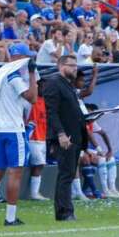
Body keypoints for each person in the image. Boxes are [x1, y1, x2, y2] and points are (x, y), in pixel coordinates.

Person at [0, 44, 38, 227]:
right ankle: (10, 218)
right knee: (15, 172)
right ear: (20, 57)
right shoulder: (14, 76)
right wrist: (33, 75)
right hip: (13, 129)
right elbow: (32, 97)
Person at [42, 54, 85, 221]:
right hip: (64, 137)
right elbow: (51, 112)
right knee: (65, 174)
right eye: (71, 65)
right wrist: (60, 133)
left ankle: (68, 210)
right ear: (61, 66)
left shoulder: (68, 85)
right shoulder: (53, 83)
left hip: (74, 135)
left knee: (69, 173)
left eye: (76, 65)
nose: (75, 68)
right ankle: (63, 212)